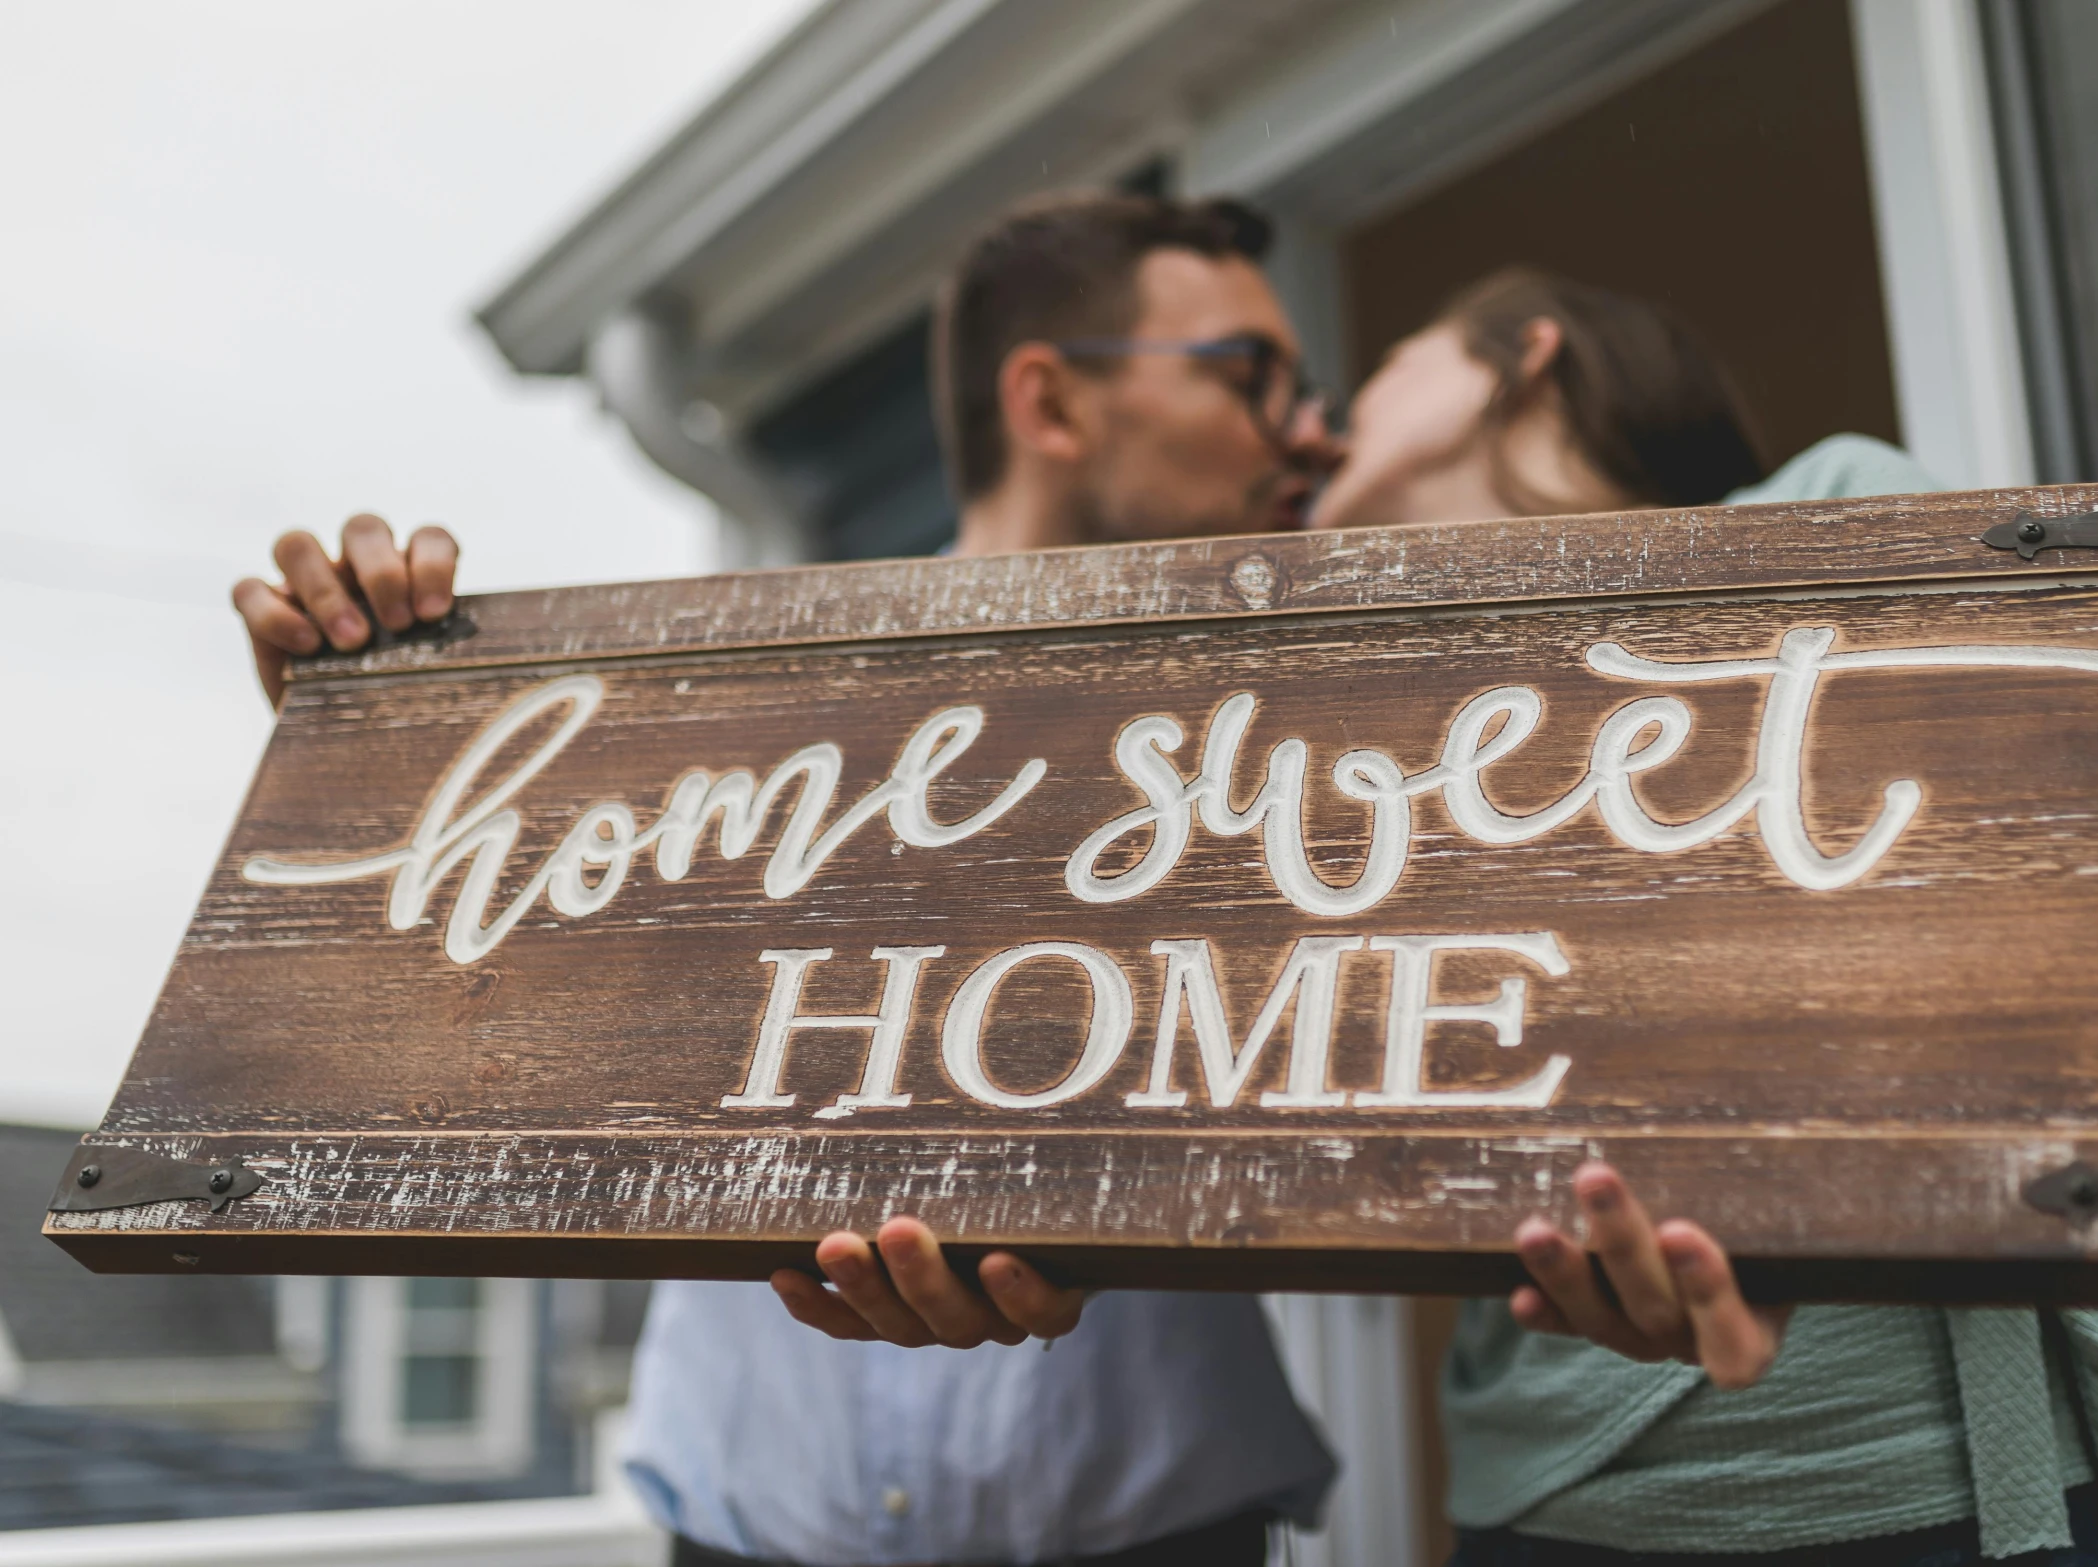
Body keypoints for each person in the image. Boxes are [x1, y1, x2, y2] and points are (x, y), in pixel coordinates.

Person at [802, 270, 2098, 1567]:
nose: (1320, 426)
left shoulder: (1828, 499)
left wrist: (1798, 1212)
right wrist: (1035, 1216)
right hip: (1538, 1495)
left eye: (1382, 368)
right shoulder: (1379, 738)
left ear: (1521, 356)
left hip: (1910, 1484)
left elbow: (2016, 910)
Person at [231, 193, 1341, 1567]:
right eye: (1250, 376)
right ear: (1051, 404)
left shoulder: (1323, 749)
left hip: (1157, 1531)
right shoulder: (729, 720)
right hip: (745, 1529)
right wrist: (384, 745)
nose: (1306, 428)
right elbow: (476, 1005)